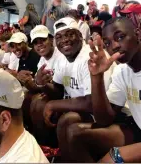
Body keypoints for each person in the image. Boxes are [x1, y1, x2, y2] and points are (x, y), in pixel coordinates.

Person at [64, 17, 141, 162]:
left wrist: (119, 155)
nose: (114, 46)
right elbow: (104, 120)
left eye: (120, 37)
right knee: (75, 134)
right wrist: (96, 77)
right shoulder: (122, 71)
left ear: (138, 34)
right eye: (107, 43)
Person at [34, 17, 116, 158]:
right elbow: (58, 91)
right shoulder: (62, 59)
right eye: (59, 37)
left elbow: (92, 102)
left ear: (80, 36)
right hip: (83, 108)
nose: (64, 40)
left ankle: (67, 157)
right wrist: (41, 84)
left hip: (106, 112)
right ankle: (50, 151)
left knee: (68, 120)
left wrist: (54, 104)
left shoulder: (90, 57)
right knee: (39, 101)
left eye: (69, 34)